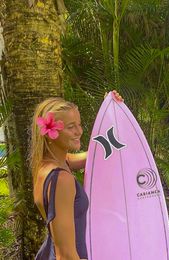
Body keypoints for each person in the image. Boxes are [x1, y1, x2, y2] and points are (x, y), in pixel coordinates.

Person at [29, 90, 123, 260]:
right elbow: (65, 254)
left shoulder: (49, 164)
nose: (79, 131)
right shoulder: (62, 179)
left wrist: (111, 110)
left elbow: (97, 155)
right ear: (50, 133)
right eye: (71, 127)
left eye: (79, 124)